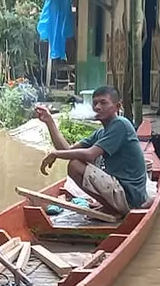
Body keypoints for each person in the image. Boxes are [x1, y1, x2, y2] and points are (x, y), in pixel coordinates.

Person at [36, 85, 148, 216]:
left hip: (130, 196)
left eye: (103, 103)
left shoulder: (121, 124)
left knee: (75, 165)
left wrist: (56, 154)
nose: (98, 107)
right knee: (75, 161)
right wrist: (49, 121)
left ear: (117, 107)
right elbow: (67, 150)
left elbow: (90, 155)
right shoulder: (101, 132)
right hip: (120, 192)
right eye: (95, 103)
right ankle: (109, 206)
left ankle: (112, 209)